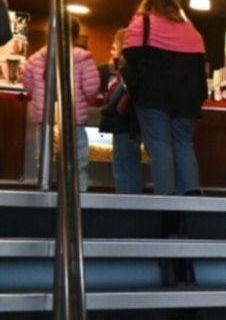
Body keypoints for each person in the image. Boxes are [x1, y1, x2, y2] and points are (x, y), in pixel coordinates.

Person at [123, 0, 207, 195]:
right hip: (187, 99)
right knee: (184, 146)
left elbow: (129, 57)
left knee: (160, 148)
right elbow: (200, 69)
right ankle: (191, 201)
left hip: (153, 95)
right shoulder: (192, 31)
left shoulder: (142, 23)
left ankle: (166, 202)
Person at [23, 15, 100, 191]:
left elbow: (28, 86)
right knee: (76, 157)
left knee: (44, 156)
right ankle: (78, 189)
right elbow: (91, 90)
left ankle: (44, 188)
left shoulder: (35, 58)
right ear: (76, 35)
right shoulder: (83, 58)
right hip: (73, 117)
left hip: (46, 116)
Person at [101, 29, 143, 194]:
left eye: (114, 46)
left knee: (124, 168)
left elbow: (115, 98)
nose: (112, 50)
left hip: (125, 123)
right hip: (132, 123)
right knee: (127, 167)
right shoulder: (136, 67)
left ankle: (128, 205)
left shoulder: (126, 69)